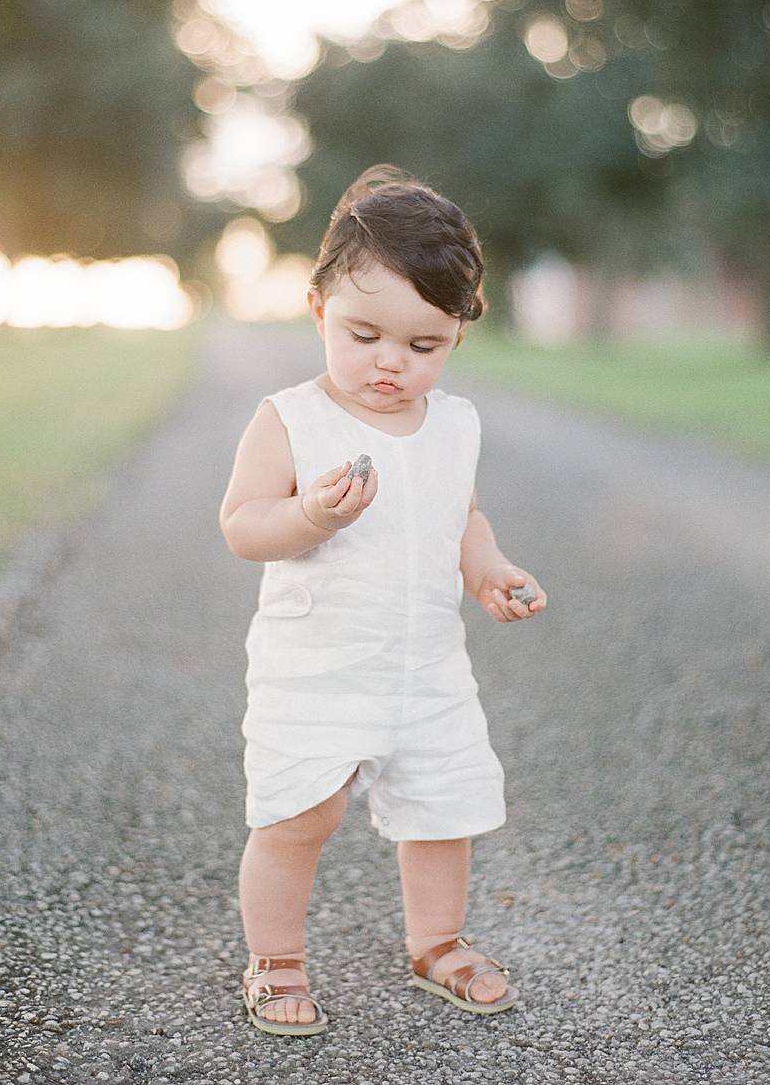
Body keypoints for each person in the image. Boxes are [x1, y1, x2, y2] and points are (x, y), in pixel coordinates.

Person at [217, 166, 546, 1035]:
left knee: (444, 809)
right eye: (364, 334)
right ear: (320, 308)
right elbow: (244, 526)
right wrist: (308, 513)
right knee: (299, 813)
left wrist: (491, 571)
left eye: (423, 345)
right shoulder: (290, 419)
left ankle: (437, 941)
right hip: (316, 663)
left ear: (456, 339)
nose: (390, 363)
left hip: (426, 666)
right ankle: (276, 958)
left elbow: (460, 516)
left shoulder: (455, 426)